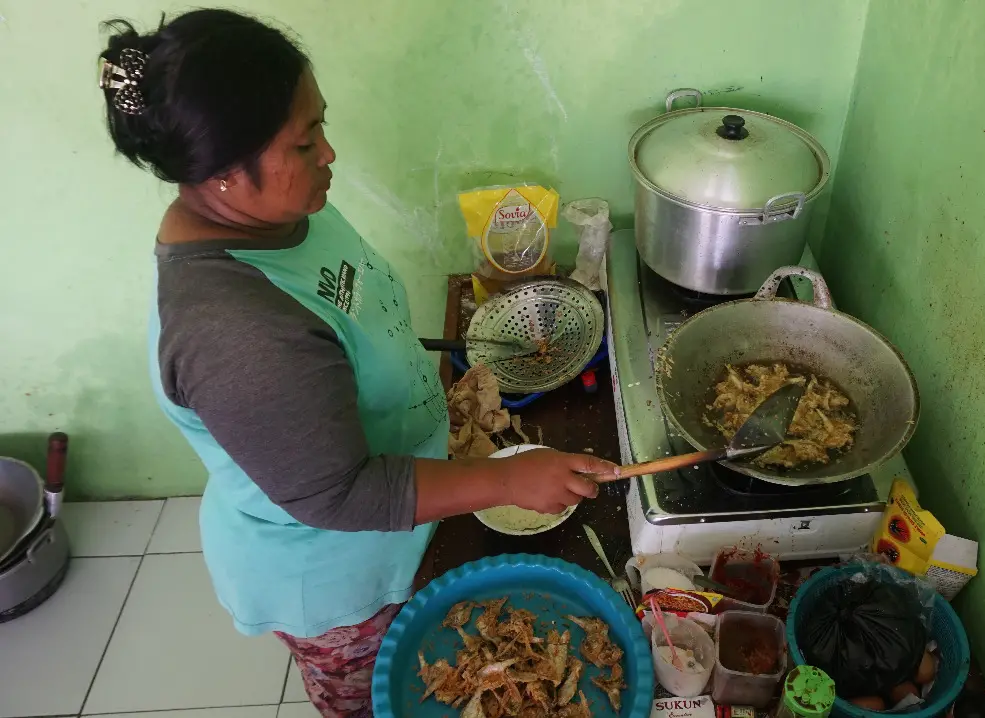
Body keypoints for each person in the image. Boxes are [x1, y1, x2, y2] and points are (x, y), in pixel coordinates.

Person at [97, 10, 616, 717]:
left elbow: (344, 323)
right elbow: (338, 495)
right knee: (386, 698)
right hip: (337, 573)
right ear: (222, 176)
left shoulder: (278, 215)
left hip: (401, 504)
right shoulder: (235, 333)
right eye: (306, 142)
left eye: (322, 127)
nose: (331, 154)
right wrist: (505, 480)